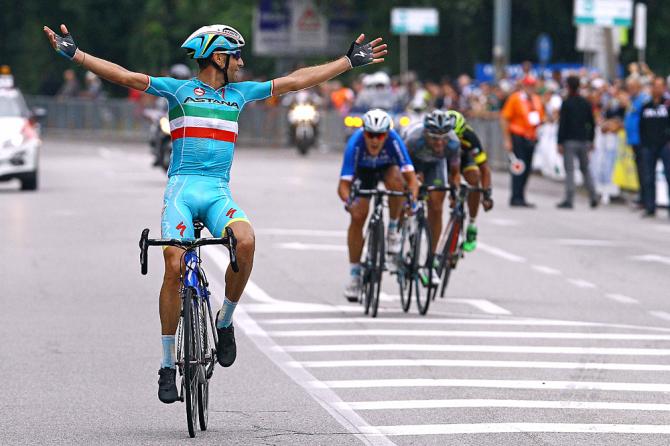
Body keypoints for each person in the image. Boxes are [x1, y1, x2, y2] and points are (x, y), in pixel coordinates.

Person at [44, 23, 387, 403]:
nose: (242, 62)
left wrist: (347, 62)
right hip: (182, 190)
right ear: (220, 58)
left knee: (246, 240)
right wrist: (76, 55)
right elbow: (123, 76)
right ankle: (166, 364)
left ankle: (224, 322)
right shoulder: (177, 91)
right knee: (173, 265)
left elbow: (295, 81)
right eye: (237, 55)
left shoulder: (239, 94)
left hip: (218, 193)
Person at [338, 109, 418, 302]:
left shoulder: (394, 141)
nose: (375, 140)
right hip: (363, 173)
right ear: (363, 132)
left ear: (387, 134)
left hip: (386, 169)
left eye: (380, 135)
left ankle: (391, 230)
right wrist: (349, 202)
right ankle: (355, 275)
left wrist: (413, 200)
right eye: (370, 135)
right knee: (358, 216)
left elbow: (412, 179)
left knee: (397, 183)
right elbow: (343, 186)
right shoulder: (355, 144)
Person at [403, 110, 461, 258]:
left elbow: (454, 173)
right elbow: (402, 169)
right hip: (413, 163)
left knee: (436, 207)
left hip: (435, 165)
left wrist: (455, 193)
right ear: (426, 134)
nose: (440, 142)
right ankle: (397, 236)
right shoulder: (413, 140)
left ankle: (432, 255)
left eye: (444, 138)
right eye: (434, 138)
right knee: (404, 197)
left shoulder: (453, 144)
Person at [446, 110, 494, 251]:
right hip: (447, 160)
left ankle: (472, 223)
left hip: (465, 159)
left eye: (458, 137)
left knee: (474, 177)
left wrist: (486, 195)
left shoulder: (470, 136)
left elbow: (484, 169)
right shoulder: (440, 136)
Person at [500, 75, 545, 207]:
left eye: (533, 86)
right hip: (518, 136)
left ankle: (521, 196)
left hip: (531, 137)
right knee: (519, 167)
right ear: (524, 86)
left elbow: (540, 117)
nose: (531, 88)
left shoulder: (536, 99)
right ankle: (515, 196)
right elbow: (504, 118)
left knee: (528, 167)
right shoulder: (515, 98)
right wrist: (507, 139)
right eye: (529, 85)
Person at [556, 75, 598, 209]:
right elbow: (591, 123)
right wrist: (591, 139)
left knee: (570, 170)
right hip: (583, 140)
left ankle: (569, 198)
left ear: (568, 86)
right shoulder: (585, 103)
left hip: (569, 140)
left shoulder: (566, 103)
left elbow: (562, 124)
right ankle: (593, 195)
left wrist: (559, 142)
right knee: (585, 169)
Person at [639, 76, 670, 218]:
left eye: (659, 86)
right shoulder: (646, 106)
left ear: (664, 88)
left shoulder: (667, 105)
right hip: (648, 146)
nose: (656, 89)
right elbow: (642, 126)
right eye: (654, 86)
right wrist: (643, 143)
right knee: (648, 177)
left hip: (665, 145)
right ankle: (650, 206)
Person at [624, 77, 650, 206]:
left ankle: (646, 198)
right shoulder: (632, 100)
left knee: (644, 169)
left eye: (632, 87)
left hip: (641, 139)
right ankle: (642, 196)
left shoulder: (643, 99)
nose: (630, 90)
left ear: (638, 87)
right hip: (633, 139)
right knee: (639, 169)